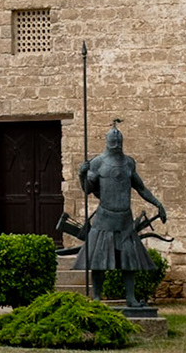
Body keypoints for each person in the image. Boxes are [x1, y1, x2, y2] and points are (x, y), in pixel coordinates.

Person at [57, 123, 167, 308]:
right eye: (113, 140)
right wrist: (82, 175)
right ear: (108, 142)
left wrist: (158, 204)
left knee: (129, 261)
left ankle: (131, 298)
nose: (116, 143)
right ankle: (97, 297)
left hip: (124, 220)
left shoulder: (129, 163)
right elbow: (88, 189)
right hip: (104, 219)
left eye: (118, 140)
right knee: (98, 261)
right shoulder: (97, 163)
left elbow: (141, 188)